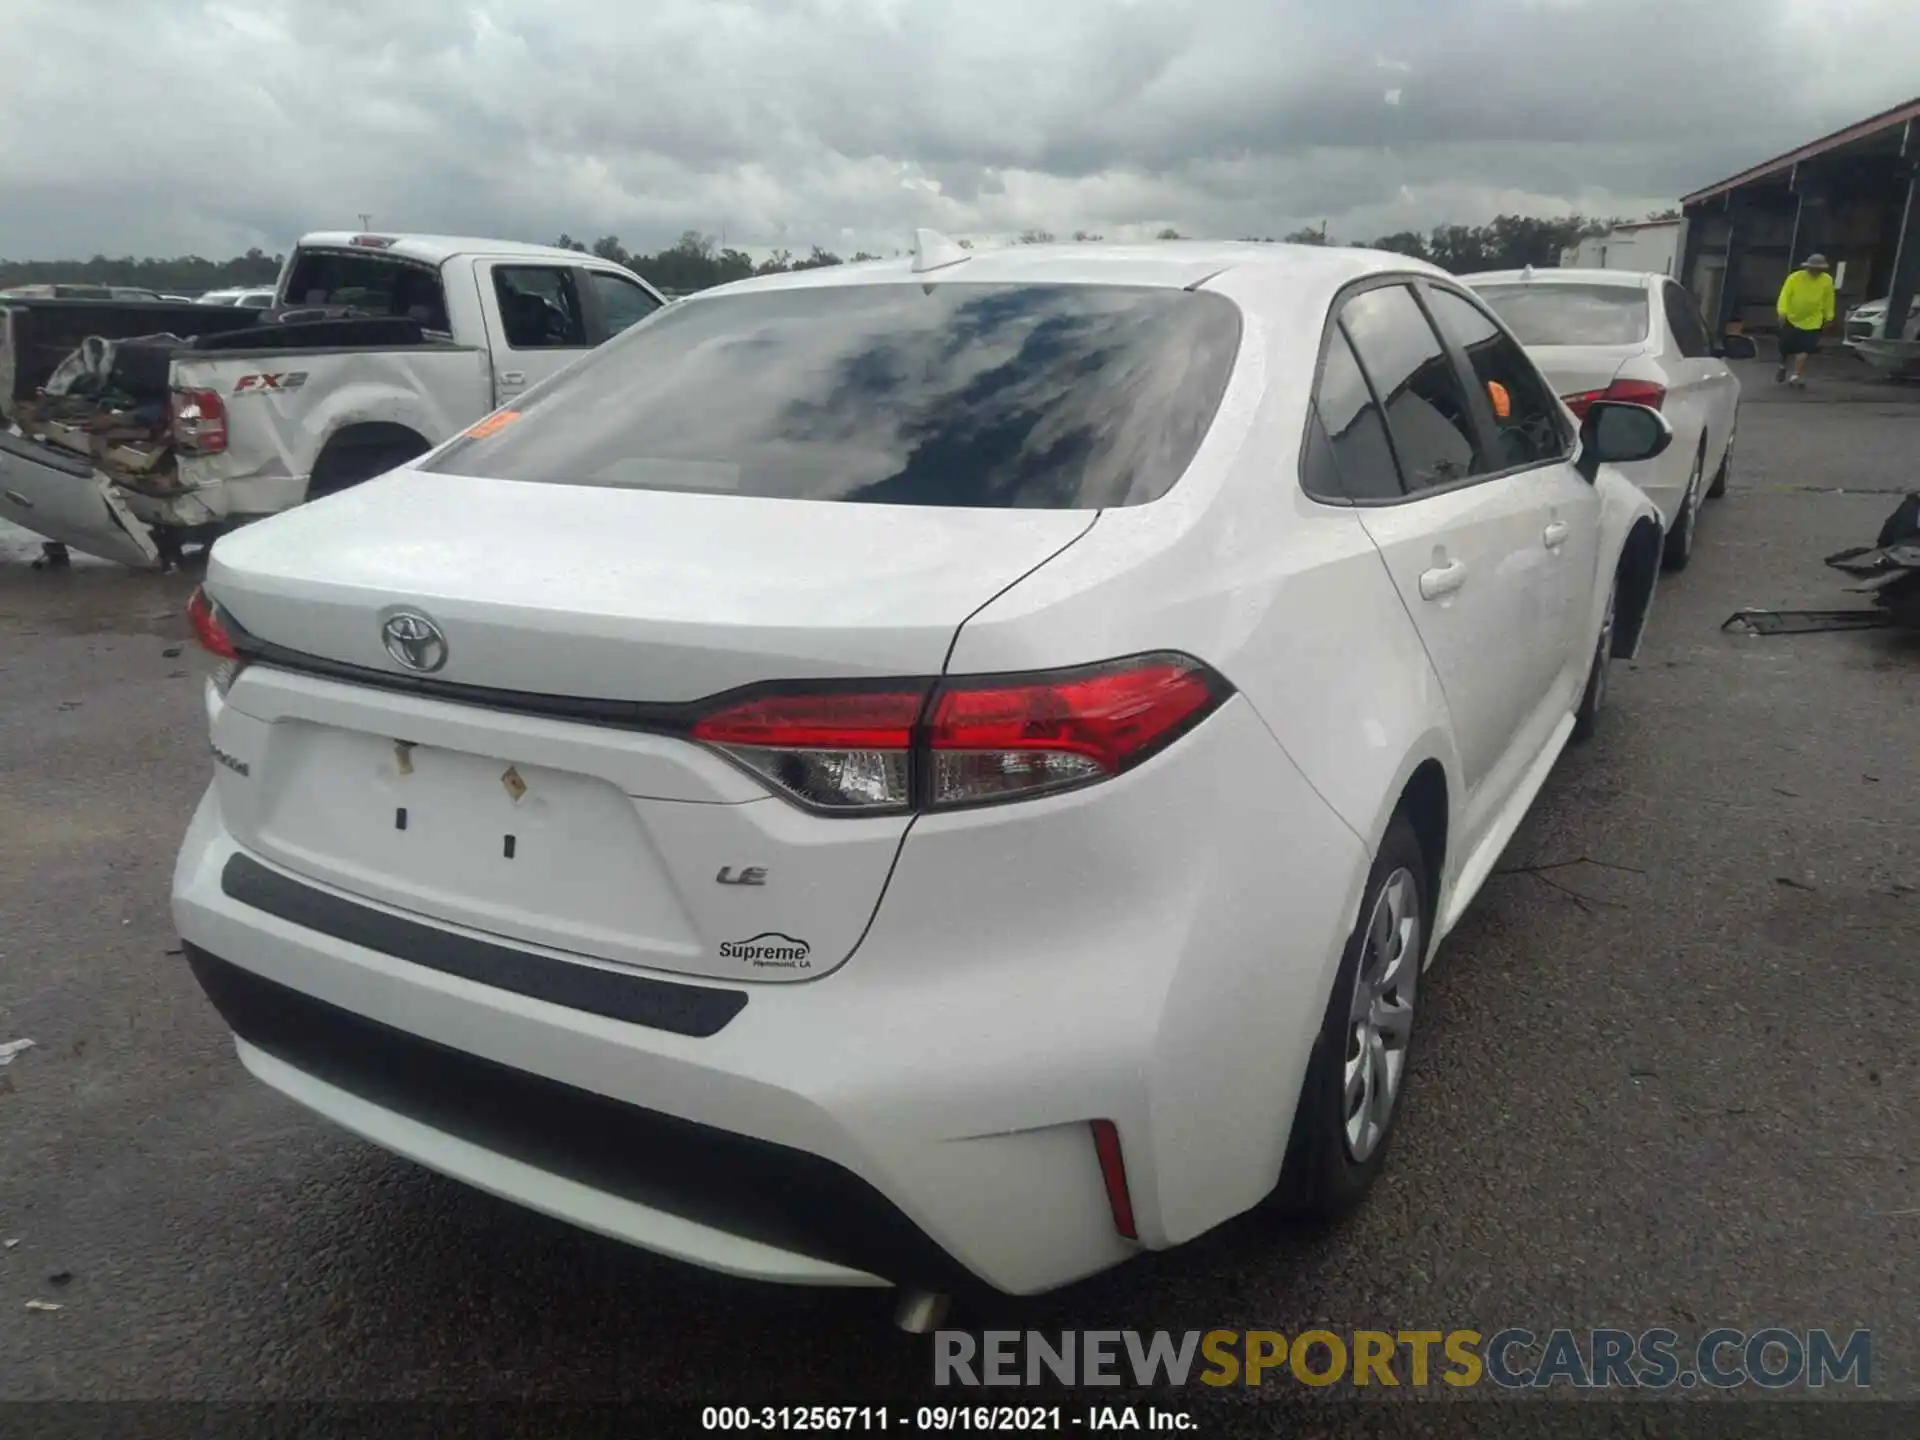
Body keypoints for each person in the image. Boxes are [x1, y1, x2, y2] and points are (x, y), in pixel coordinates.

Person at [1775, 253, 1835, 386]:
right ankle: (1782, 365)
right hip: (1792, 317)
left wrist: (1829, 317)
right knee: (1785, 346)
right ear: (1808, 267)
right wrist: (1782, 312)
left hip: (1813, 320)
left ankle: (1797, 375)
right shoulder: (1795, 278)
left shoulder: (1827, 280)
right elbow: (1785, 295)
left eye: (1819, 269)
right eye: (1813, 268)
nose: (1816, 271)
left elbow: (1828, 299)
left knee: (1805, 349)